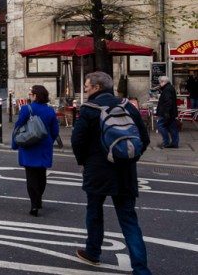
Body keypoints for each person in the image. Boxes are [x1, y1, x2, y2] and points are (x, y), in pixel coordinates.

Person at [71, 70, 151, 273]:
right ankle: (141, 269)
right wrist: (129, 158)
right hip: (125, 171)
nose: (86, 89)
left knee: (94, 212)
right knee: (129, 221)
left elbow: (77, 141)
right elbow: (144, 138)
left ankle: (93, 252)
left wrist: (84, 162)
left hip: (97, 170)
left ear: (97, 88)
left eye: (87, 86)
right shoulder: (127, 106)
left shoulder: (89, 109)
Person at [11, 84, 60, 216]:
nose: (29, 97)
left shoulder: (26, 109)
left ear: (35, 96)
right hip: (44, 146)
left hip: (29, 145)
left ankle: (34, 204)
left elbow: (17, 127)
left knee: (31, 176)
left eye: (31, 95)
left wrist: (15, 144)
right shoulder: (50, 111)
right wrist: (49, 140)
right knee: (41, 175)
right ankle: (38, 200)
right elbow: (55, 130)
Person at [155, 74, 179, 148]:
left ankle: (166, 142)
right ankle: (175, 143)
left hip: (166, 112)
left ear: (163, 82)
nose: (159, 84)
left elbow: (168, 101)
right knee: (172, 127)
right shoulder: (169, 87)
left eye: (160, 82)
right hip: (171, 112)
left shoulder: (167, 89)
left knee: (160, 125)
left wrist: (166, 112)